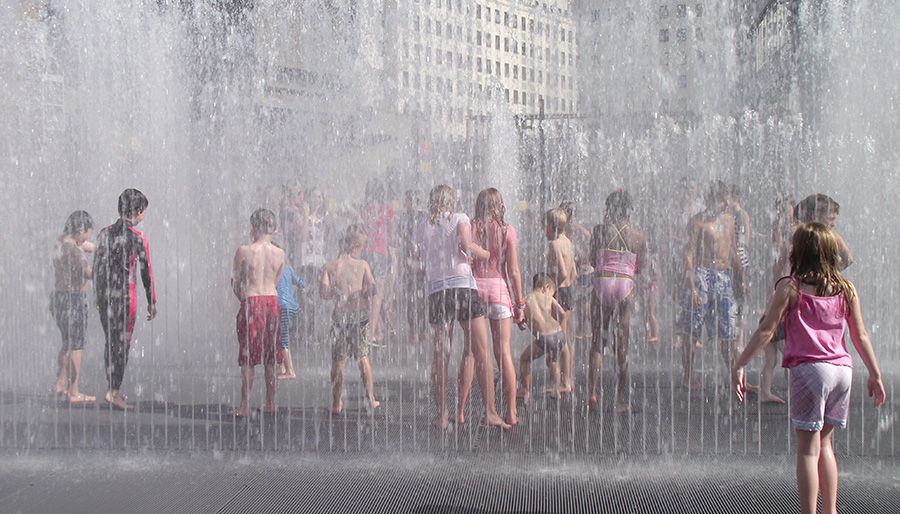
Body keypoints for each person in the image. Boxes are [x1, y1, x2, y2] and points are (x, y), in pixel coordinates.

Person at [732, 222, 886, 514]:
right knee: (826, 445)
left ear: (799, 251)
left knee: (807, 449)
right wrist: (875, 375)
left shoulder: (791, 288)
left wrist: (740, 363)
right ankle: (830, 510)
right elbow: (860, 335)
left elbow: (767, 330)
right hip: (842, 371)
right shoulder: (846, 288)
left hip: (811, 370)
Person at [414, 185, 509, 430]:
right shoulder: (459, 218)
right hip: (462, 288)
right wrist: (486, 254)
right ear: (451, 202)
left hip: (437, 291)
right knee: (481, 348)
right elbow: (466, 246)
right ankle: (490, 411)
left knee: (440, 356)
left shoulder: (421, 227)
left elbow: (416, 263)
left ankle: (443, 414)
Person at [674, 181, 744, 389]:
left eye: (726, 200)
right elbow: (688, 253)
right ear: (710, 200)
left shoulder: (729, 221)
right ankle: (688, 376)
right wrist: (691, 286)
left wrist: (741, 280)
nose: (725, 204)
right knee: (691, 328)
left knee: (729, 331)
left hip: (723, 277)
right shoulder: (698, 222)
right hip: (701, 276)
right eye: (722, 200)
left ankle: (734, 377)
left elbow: (733, 252)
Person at [93, 189, 157, 410]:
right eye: (143, 212)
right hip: (126, 298)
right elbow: (146, 272)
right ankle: (113, 391)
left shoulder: (104, 233)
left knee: (110, 341)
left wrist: (97, 294)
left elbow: (97, 267)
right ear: (138, 211)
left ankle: (114, 387)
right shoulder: (139, 239)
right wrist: (152, 301)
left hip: (106, 296)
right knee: (123, 343)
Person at [588, 190, 647, 413]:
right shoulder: (638, 235)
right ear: (628, 209)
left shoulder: (599, 230)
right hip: (625, 285)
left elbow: (592, 259)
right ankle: (620, 400)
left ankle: (592, 392)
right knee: (621, 345)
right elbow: (640, 267)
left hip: (602, 283)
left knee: (597, 341)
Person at [471, 187, 524, 426]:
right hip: (500, 294)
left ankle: (488, 410)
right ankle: (511, 412)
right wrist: (519, 303)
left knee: (480, 356)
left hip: (475, 292)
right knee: (503, 353)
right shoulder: (506, 230)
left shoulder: (472, 228)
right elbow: (512, 270)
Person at [319, 226, 380, 414]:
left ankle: (336, 402)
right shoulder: (362, 265)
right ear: (355, 246)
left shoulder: (329, 266)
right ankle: (370, 399)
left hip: (340, 318)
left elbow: (324, 293)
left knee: (338, 362)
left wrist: (337, 293)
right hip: (358, 316)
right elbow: (372, 288)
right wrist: (364, 293)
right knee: (363, 357)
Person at [230, 209, 285, 417]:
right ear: (274, 229)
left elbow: (235, 281)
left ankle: (244, 405)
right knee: (271, 357)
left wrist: (244, 299)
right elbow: (276, 281)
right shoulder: (280, 253)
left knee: (248, 357)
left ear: (253, 227)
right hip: (272, 302)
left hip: (251, 301)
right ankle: (270, 402)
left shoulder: (244, 251)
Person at [50, 210, 95, 403]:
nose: (85, 240)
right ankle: (74, 392)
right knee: (77, 345)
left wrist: (100, 248)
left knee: (67, 341)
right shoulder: (74, 251)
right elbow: (88, 273)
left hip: (58, 298)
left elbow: (84, 245)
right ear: (79, 229)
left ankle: (60, 384)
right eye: (86, 234)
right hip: (74, 299)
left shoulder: (60, 242)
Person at [516, 273, 567, 399]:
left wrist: (522, 324)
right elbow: (562, 314)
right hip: (559, 334)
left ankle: (526, 390)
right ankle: (556, 390)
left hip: (545, 338)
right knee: (553, 360)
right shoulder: (548, 298)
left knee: (524, 359)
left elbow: (520, 319)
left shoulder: (525, 300)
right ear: (546, 287)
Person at [544, 207, 577, 393]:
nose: (544, 230)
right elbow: (573, 272)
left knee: (556, 339)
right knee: (566, 338)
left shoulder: (554, 245)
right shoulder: (568, 243)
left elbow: (563, 273)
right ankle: (567, 380)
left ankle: (558, 384)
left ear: (552, 226)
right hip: (568, 292)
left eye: (545, 226)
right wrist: (568, 288)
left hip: (558, 293)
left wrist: (551, 289)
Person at [359, 178, 395, 344]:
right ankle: (371, 333)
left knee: (366, 292)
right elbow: (392, 233)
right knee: (378, 294)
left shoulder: (364, 210)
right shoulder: (386, 210)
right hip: (380, 254)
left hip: (365, 254)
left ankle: (375, 328)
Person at [276, 260, 304, 380]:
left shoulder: (272, 271)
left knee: (283, 339)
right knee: (281, 335)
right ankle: (282, 366)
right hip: (292, 307)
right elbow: (302, 283)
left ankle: (290, 371)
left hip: (281, 306)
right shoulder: (288, 271)